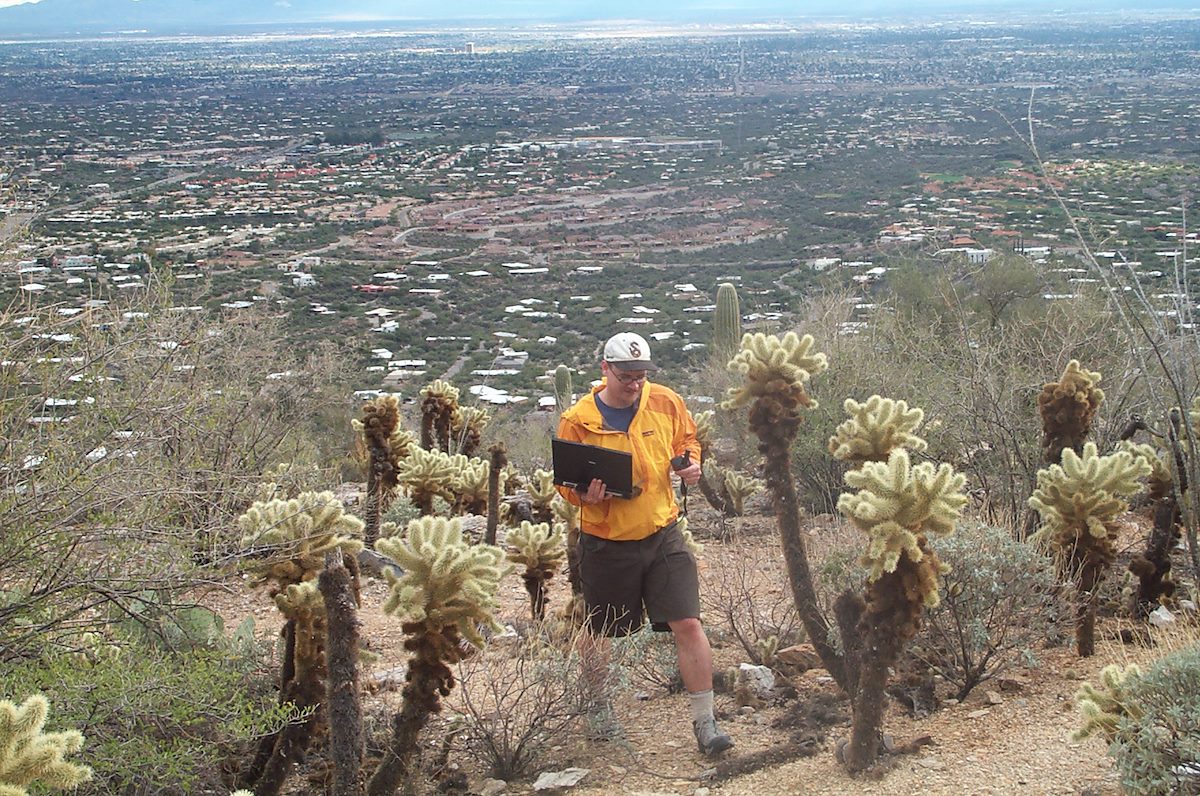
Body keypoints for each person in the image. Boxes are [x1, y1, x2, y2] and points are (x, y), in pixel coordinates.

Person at [556, 331, 734, 756]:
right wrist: (584, 495)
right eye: (626, 376)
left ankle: (705, 723)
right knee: (599, 630)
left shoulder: (665, 401)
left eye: (641, 375)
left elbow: (687, 441)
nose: (635, 383)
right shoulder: (578, 419)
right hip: (606, 541)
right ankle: (597, 709)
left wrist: (691, 464)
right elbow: (564, 481)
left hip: (663, 532)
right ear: (605, 370)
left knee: (687, 622)